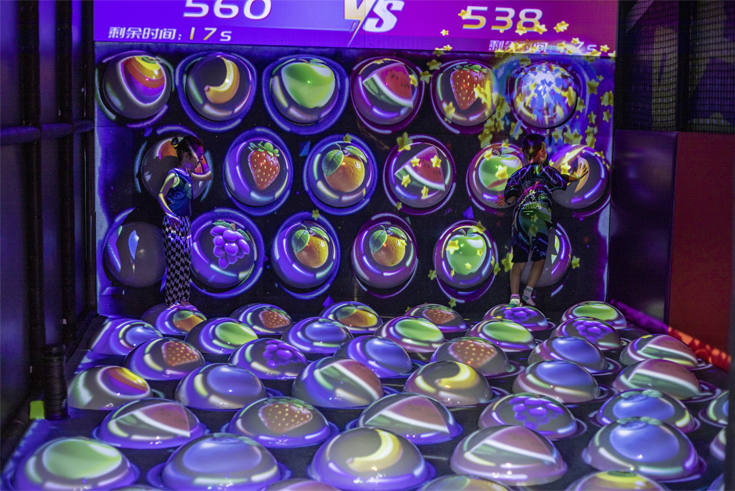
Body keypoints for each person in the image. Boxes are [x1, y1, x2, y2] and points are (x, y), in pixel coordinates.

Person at [503, 135, 579, 307]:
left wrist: (508, 200)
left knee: (519, 260)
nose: (544, 153)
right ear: (540, 153)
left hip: (522, 216)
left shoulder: (518, 174)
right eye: (543, 149)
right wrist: (576, 176)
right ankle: (527, 293)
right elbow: (563, 179)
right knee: (539, 258)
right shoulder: (547, 172)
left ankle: (515, 297)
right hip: (540, 217)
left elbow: (510, 196)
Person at [158, 136, 212, 307]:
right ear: (186, 155)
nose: (200, 160)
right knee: (174, 263)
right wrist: (169, 214)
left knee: (185, 262)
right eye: (197, 157)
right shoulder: (174, 175)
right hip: (173, 223)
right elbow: (161, 195)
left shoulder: (189, 175)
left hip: (185, 223)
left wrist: (202, 158)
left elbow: (208, 176)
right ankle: (172, 300)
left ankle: (183, 299)